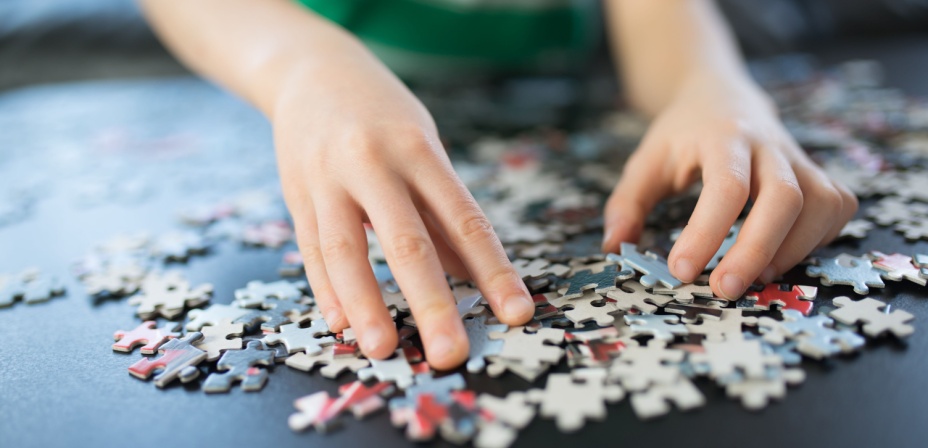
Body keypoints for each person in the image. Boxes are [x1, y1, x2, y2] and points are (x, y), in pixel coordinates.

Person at [140, 0, 857, 369]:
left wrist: (714, 84)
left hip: (555, 103)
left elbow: (661, 29)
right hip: (305, 101)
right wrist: (297, 66)